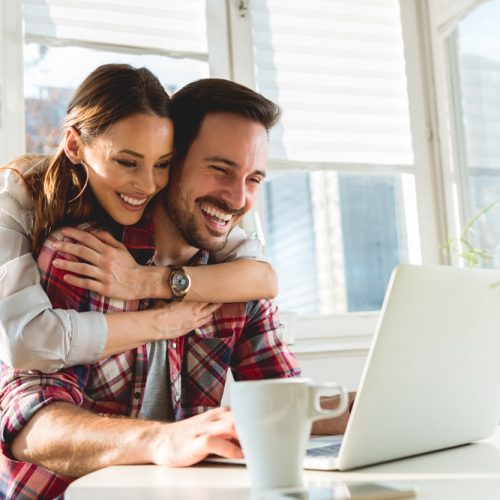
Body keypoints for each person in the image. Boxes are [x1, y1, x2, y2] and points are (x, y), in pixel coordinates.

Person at [0, 76, 316, 499]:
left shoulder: (233, 278)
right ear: (175, 160)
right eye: (220, 169)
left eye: (254, 179)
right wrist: (163, 439)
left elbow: (287, 399)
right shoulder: (82, 254)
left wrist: (370, 412)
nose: (239, 198)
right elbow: (29, 423)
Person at [0, 65, 278, 373]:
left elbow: (262, 278)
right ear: (74, 145)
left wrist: (142, 282)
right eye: (127, 162)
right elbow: (22, 342)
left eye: (162, 164)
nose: (148, 185)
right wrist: (162, 323)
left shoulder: (179, 213)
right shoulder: (18, 201)